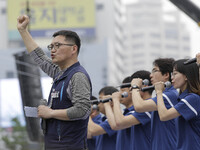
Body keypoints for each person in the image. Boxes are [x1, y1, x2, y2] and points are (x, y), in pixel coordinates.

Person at [17, 15, 92, 150]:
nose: (52, 49)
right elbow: (39, 57)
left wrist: (51, 113)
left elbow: (83, 110)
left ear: (73, 49)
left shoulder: (77, 75)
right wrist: (23, 30)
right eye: (51, 46)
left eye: (57, 45)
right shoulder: (59, 73)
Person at [131, 58, 179, 150]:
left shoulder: (169, 95)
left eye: (155, 71)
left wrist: (135, 87)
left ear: (166, 75)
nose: (150, 75)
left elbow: (138, 106)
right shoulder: (162, 96)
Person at [155, 59, 200, 150]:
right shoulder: (182, 99)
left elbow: (164, 115)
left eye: (175, 74)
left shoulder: (193, 98)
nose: (172, 78)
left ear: (186, 76)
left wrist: (159, 92)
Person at [103, 70, 152, 150]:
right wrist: (107, 104)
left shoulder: (147, 107)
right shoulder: (132, 111)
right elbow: (114, 125)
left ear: (144, 86)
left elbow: (119, 123)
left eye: (132, 87)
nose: (131, 90)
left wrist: (116, 101)